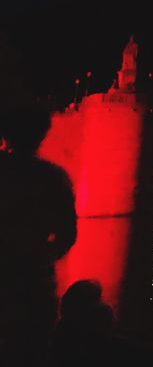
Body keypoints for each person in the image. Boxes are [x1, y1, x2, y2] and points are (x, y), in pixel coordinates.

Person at [0, 103, 78, 363]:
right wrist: (41, 255)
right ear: (43, 133)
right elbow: (68, 235)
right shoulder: (54, 178)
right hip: (36, 286)